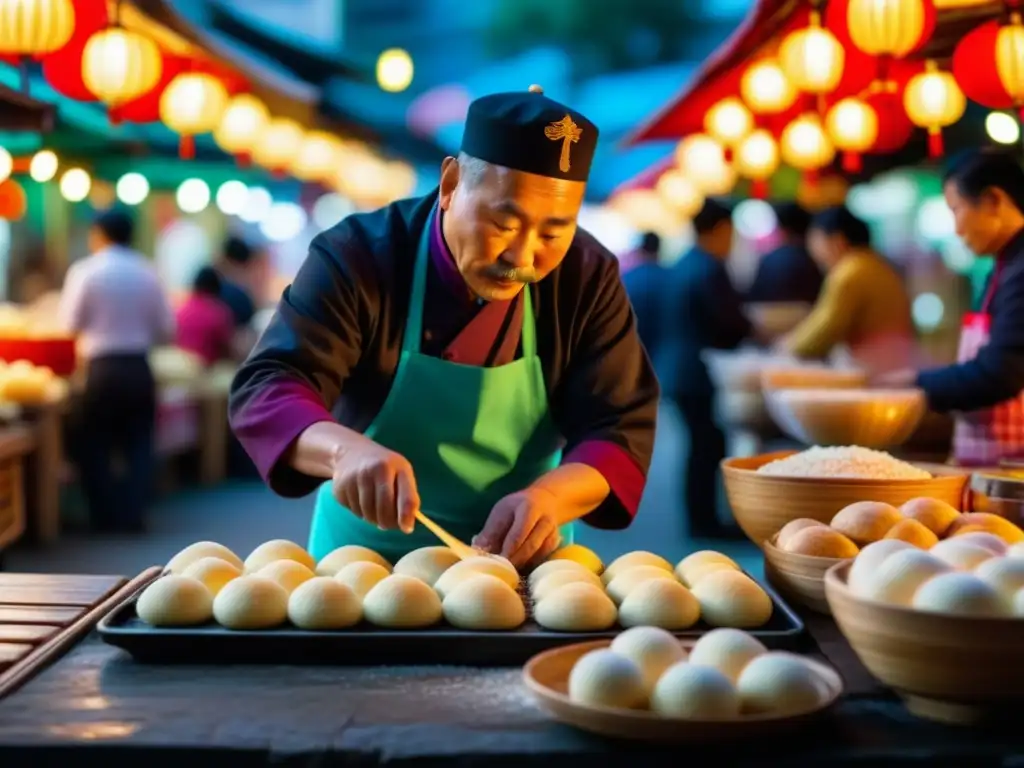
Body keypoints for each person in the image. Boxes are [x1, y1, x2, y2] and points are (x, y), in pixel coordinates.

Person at [229, 86, 659, 567]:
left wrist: (553, 500)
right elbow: (270, 385)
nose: (522, 259)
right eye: (504, 223)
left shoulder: (585, 274)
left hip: (520, 562)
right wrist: (342, 453)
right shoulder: (359, 255)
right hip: (365, 560)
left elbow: (620, 424)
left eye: (553, 233)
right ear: (451, 184)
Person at [875, 149, 1024, 466]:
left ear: (993, 201)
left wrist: (917, 383)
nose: (956, 229)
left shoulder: (1021, 268)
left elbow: (1001, 372)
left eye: (956, 210)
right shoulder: (1003, 265)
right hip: (994, 460)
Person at [59, 208, 175, 533]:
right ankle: (133, 514)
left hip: (100, 368)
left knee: (93, 442)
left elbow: (69, 324)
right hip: (138, 366)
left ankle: (104, 515)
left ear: (98, 234)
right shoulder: (147, 271)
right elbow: (166, 328)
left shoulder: (85, 272)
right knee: (139, 443)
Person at [657, 199, 751, 539]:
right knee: (707, 446)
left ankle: (701, 520)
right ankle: (706, 522)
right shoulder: (710, 267)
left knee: (700, 445)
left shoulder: (683, 262)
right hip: (699, 372)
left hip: (678, 370)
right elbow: (731, 321)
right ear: (720, 229)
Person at [777, 205, 913, 374]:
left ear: (837, 241)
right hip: (895, 362)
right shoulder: (874, 264)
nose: (813, 250)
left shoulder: (849, 272)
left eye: (815, 240)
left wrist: (787, 346)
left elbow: (825, 328)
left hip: (873, 369)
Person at [746, 202, 823, 304]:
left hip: (767, 318)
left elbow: (754, 298)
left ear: (781, 229)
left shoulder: (769, 260)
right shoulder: (816, 259)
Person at [175, 266, 235, 366]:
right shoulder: (219, 312)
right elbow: (226, 349)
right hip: (206, 371)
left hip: (181, 368)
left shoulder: (182, 310)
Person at [621, 231, 664, 355]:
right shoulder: (671, 278)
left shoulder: (627, 278)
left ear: (641, 249)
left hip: (634, 344)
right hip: (662, 347)